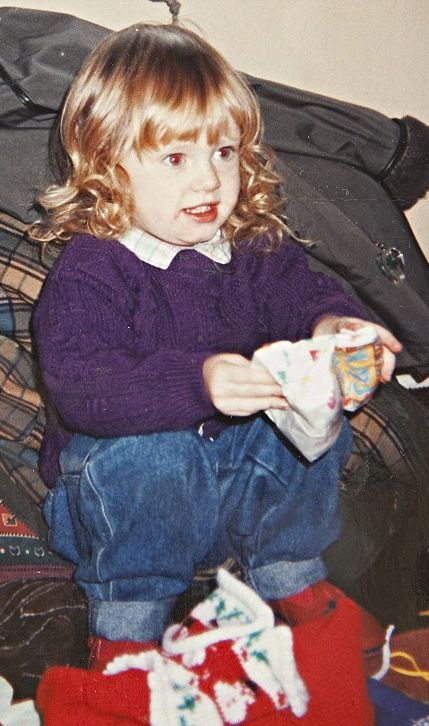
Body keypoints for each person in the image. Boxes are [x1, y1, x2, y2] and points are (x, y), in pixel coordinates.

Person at [31, 22, 401, 671]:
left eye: (224, 151)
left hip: (229, 493)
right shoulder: (92, 269)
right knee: (151, 452)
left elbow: (308, 296)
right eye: (176, 158)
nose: (209, 180)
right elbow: (83, 387)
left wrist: (339, 330)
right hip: (112, 508)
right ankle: (124, 635)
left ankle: (292, 576)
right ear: (107, 166)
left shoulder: (253, 247)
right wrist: (197, 382)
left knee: (306, 413)